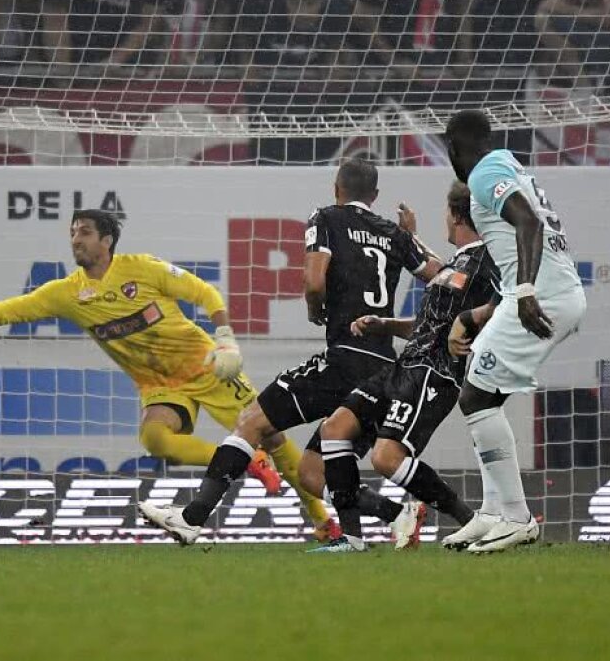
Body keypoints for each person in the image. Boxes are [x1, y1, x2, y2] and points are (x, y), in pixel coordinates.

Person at [0, 209, 331, 531]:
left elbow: (204, 292)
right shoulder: (66, 293)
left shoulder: (143, 269)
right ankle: (245, 460)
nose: (75, 239)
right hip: (158, 384)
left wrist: (226, 337)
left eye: (84, 232)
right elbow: (3, 312)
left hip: (205, 366)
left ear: (106, 241)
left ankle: (323, 522)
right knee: (156, 439)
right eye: (72, 233)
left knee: (273, 437)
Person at [137, 159, 442, 545]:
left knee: (252, 422)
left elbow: (314, 281)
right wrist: (412, 238)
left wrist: (316, 309)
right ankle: (397, 514)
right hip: (384, 369)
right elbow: (443, 276)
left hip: (345, 358)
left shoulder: (326, 217)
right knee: (314, 475)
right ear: (375, 196)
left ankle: (192, 516)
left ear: (337, 188)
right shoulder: (394, 234)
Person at [309, 182, 500, 553]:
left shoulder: (487, 263)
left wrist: (473, 320)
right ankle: (351, 540)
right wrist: (385, 324)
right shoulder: (456, 263)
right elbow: (428, 323)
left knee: (385, 457)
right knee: (335, 429)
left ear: (458, 215)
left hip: (435, 372)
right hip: (405, 363)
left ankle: (472, 522)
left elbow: (507, 302)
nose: (444, 217)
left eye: (447, 211)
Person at [440, 109, 587, 553]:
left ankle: (518, 517)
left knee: (475, 396)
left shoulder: (485, 172)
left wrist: (524, 291)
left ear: (452, 148)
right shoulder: (506, 165)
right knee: (484, 393)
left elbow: (529, 222)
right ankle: (492, 511)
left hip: (542, 295)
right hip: (546, 292)